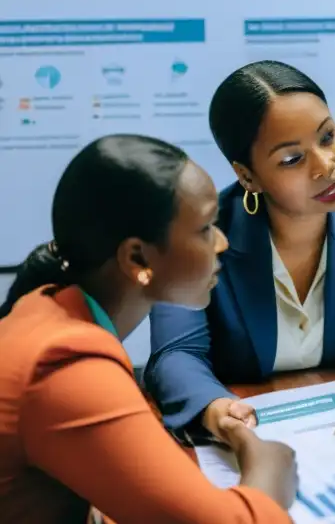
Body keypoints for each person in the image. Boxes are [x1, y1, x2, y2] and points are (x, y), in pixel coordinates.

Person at [146, 60, 335, 442]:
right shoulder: (200, 236)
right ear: (248, 176)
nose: (326, 166)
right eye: (292, 159)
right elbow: (176, 355)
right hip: (249, 437)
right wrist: (215, 408)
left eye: (327, 137)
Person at [0, 134, 295, 524]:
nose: (221, 243)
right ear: (137, 256)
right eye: (206, 228)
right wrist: (267, 467)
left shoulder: (46, 308)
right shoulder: (65, 365)